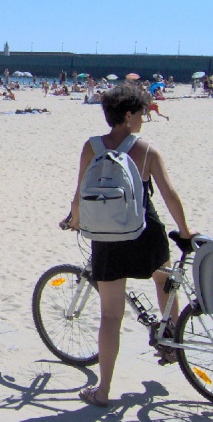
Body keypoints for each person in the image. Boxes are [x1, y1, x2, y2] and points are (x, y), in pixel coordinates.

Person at [68, 84, 195, 407]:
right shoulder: (146, 150)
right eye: (141, 113)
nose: (143, 118)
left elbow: (80, 191)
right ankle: (169, 340)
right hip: (145, 231)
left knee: (111, 317)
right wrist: (185, 230)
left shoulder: (91, 147)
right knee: (164, 280)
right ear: (127, 115)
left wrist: (74, 218)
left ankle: (103, 391)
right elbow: (169, 195)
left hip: (107, 239)